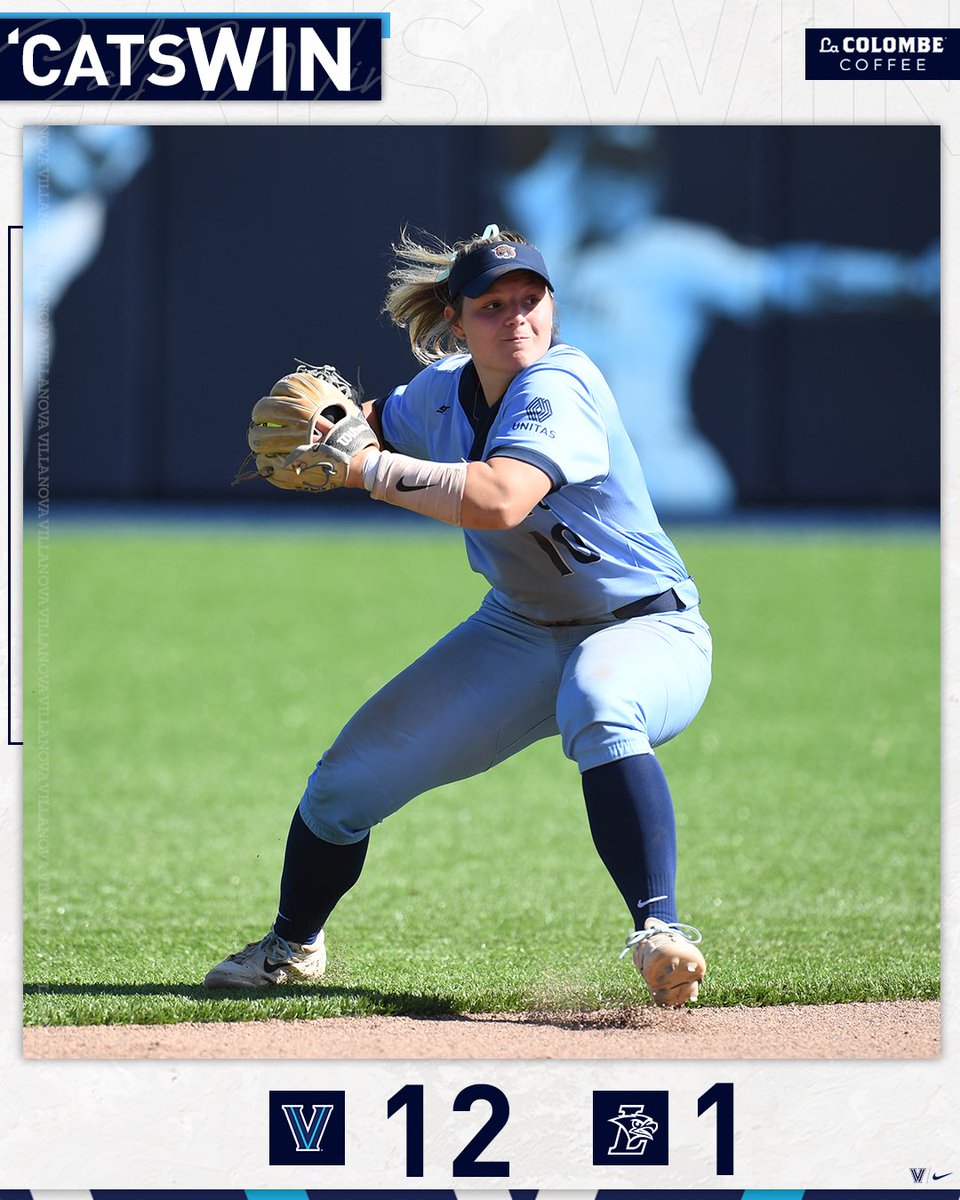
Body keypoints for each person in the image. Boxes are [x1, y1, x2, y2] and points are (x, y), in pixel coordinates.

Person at [204, 224, 713, 1006]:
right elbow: (373, 423)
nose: (518, 319)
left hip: (645, 628)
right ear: (456, 320)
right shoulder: (440, 391)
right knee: (344, 788)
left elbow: (501, 499)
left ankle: (660, 932)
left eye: (532, 299)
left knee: (601, 699)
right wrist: (332, 431)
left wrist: (364, 469)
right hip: (520, 628)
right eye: (493, 306)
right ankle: (292, 946)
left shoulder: (561, 384)